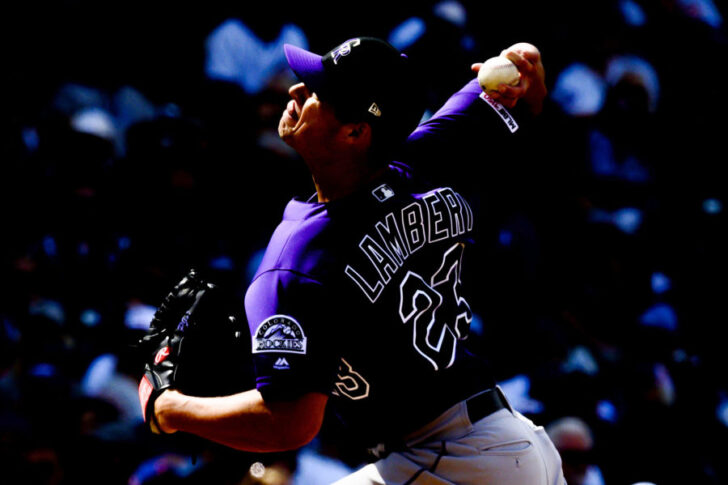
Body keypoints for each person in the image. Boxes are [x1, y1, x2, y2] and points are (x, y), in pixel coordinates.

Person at [145, 36, 563, 484]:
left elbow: (289, 423)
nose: (295, 90)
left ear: (355, 131)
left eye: (317, 91)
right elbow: (524, 84)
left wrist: (169, 409)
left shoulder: (299, 259)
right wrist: (526, 67)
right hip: (510, 444)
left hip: (455, 456)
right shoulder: (427, 155)